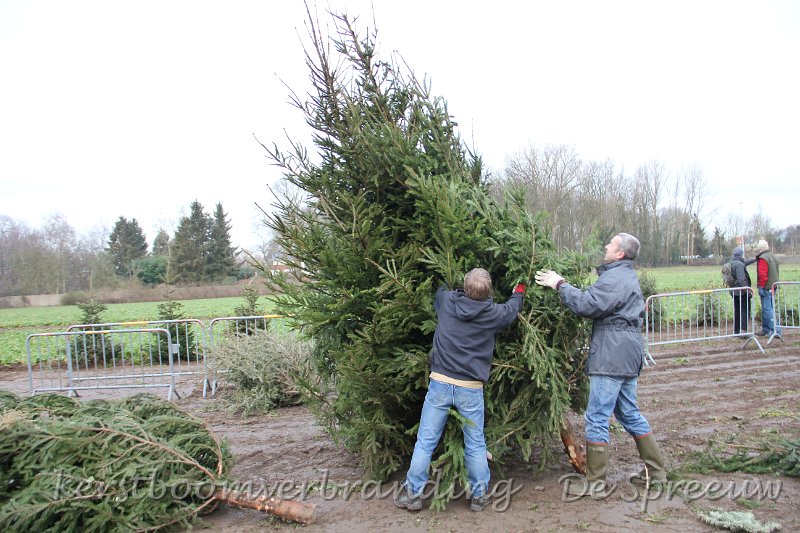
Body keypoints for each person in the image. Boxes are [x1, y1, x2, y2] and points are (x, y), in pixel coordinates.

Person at [534, 233, 666, 497]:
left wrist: (560, 284)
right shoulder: (624, 275)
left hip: (612, 355)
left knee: (597, 416)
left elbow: (587, 304)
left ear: (619, 254)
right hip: (627, 352)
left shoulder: (615, 278)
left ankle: (595, 482)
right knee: (628, 412)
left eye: (611, 244)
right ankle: (657, 473)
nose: (606, 246)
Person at [394, 268, 525, 512]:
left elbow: (441, 289)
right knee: (475, 443)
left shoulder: (447, 301)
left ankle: (412, 494)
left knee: (425, 441)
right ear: (489, 293)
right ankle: (478, 496)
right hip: (470, 388)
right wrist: (519, 291)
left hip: (440, 382)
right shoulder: (492, 313)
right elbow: (511, 311)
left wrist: (456, 287)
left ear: (464, 288)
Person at [752, 239, 782, 338]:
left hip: (766, 287)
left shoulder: (763, 259)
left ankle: (774, 330)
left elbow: (762, 275)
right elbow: (776, 271)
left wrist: (761, 286)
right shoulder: (773, 256)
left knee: (767, 309)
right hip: (773, 285)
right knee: (770, 308)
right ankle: (766, 329)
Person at [729, 247, 752, 335]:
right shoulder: (739, 265)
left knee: (737, 311)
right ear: (741, 255)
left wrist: (754, 260)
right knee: (744, 310)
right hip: (742, 292)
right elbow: (741, 280)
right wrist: (748, 291)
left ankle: (736, 330)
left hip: (734, 291)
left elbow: (745, 262)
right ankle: (743, 331)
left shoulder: (731, 262)